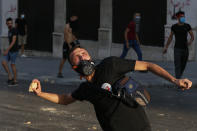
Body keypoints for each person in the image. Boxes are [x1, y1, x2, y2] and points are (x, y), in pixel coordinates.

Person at [31, 25, 192, 131]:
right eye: (77, 57)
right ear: (74, 67)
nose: (83, 57)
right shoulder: (85, 89)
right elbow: (65, 99)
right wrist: (40, 93)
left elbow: (148, 66)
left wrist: (175, 80)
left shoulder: (110, 65)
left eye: (84, 53)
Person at [163, 11, 194, 79]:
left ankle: (179, 76)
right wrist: (166, 47)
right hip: (177, 49)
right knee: (177, 65)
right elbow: (170, 37)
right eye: (181, 16)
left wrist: (190, 41)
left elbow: (192, 36)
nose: (183, 18)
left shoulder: (187, 26)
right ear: (177, 17)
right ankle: (178, 80)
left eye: (183, 16)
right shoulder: (174, 27)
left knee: (183, 65)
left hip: (185, 49)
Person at [2, 18, 19, 86]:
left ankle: (15, 81)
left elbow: (13, 41)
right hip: (10, 50)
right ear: (6, 24)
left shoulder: (14, 30)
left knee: (12, 65)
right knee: (3, 62)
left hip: (14, 51)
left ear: (12, 23)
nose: (10, 24)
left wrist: (7, 50)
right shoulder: (10, 30)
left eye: (11, 23)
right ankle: (10, 77)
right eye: (8, 23)